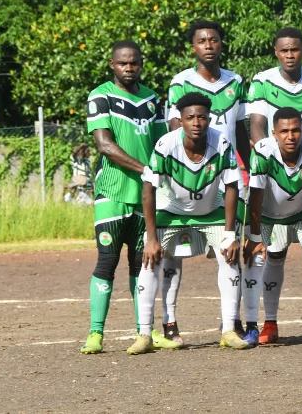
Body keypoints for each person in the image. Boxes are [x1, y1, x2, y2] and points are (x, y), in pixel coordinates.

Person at [127, 93, 249, 354]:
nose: (196, 122)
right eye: (190, 117)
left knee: (229, 256)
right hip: (171, 211)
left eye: (202, 117)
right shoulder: (166, 144)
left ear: (209, 119)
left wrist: (230, 234)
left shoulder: (221, 142)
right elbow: (148, 189)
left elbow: (231, 187)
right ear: (180, 120)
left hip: (211, 211)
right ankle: (145, 334)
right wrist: (151, 239)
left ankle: (228, 330)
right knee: (149, 260)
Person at [246, 26, 302, 345]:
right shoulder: (262, 81)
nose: (290, 55)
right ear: (276, 52)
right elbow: (256, 123)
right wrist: (270, 157)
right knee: (272, 253)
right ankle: (268, 324)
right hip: (275, 180)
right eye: (284, 50)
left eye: (295, 49)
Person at [163, 20, 251, 346]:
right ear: (194, 47)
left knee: (229, 249)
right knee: (172, 253)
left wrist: (249, 168)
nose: (209, 45)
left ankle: (231, 323)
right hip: (186, 179)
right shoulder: (180, 82)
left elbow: (240, 130)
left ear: (221, 44)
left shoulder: (235, 82)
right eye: (202, 41)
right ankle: (169, 323)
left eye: (214, 39)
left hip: (224, 179)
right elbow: (176, 130)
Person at [80, 41, 169, 354]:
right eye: (122, 63)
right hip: (112, 192)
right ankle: (95, 333)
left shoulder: (152, 99)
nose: (129, 68)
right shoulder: (100, 96)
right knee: (107, 261)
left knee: (142, 265)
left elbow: (162, 144)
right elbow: (104, 145)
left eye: (134, 63)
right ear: (112, 64)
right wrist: (146, 169)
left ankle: (145, 331)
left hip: (146, 196)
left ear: (141, 64)